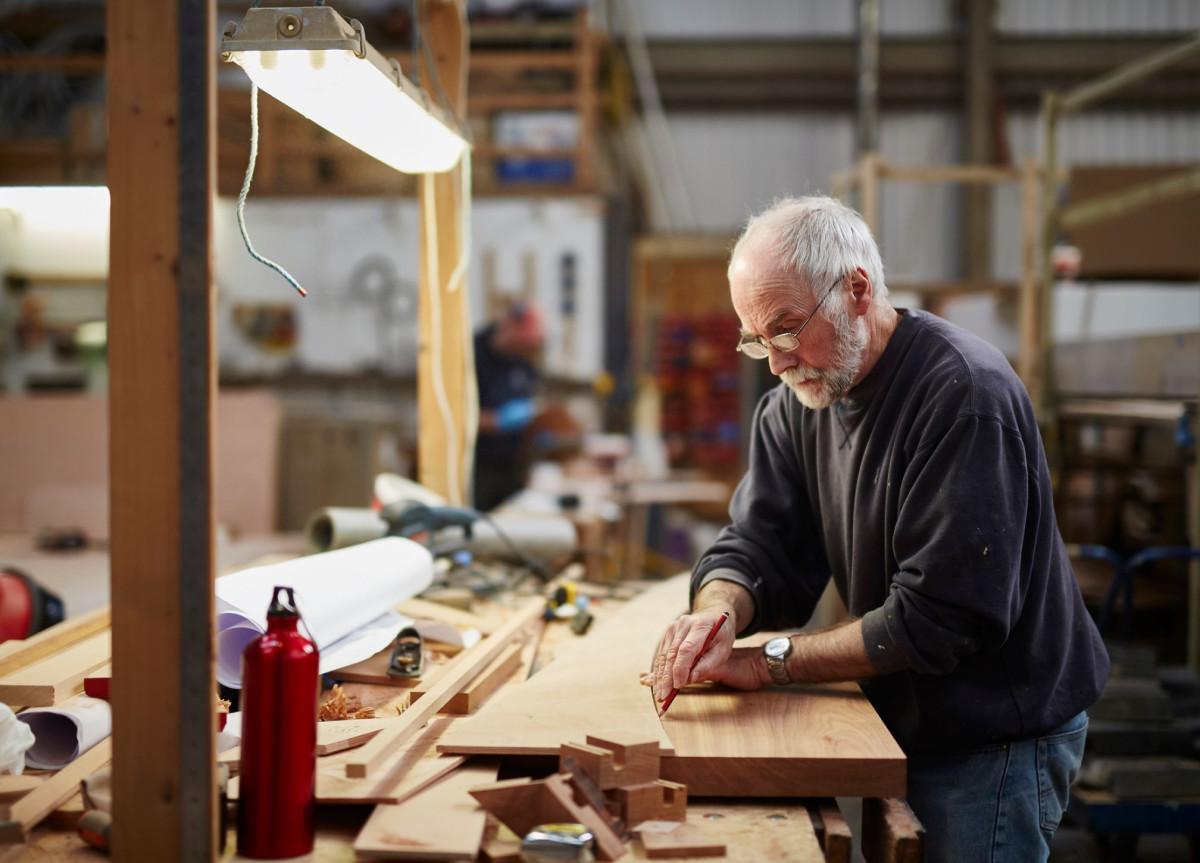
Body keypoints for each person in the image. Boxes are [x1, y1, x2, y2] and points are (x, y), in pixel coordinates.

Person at [649, 196, 1109, 863]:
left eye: (785, 329)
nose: (776, 362)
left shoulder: (963, 395)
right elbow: (760, 547)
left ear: (857, 289)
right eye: (756, 340)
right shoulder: (795, 406)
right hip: (906, 717)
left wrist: (766, 662)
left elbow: (936, 619)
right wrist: (718, 613)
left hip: (997, 734)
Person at [472, 303, 544, 511]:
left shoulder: (523, 363)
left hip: (511, 466)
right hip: (478, 466)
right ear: (511, 326)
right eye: (525, 343)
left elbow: (531, 404)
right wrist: (499, 421)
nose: (528, 350)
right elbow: (454, 418)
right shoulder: (471, 355)